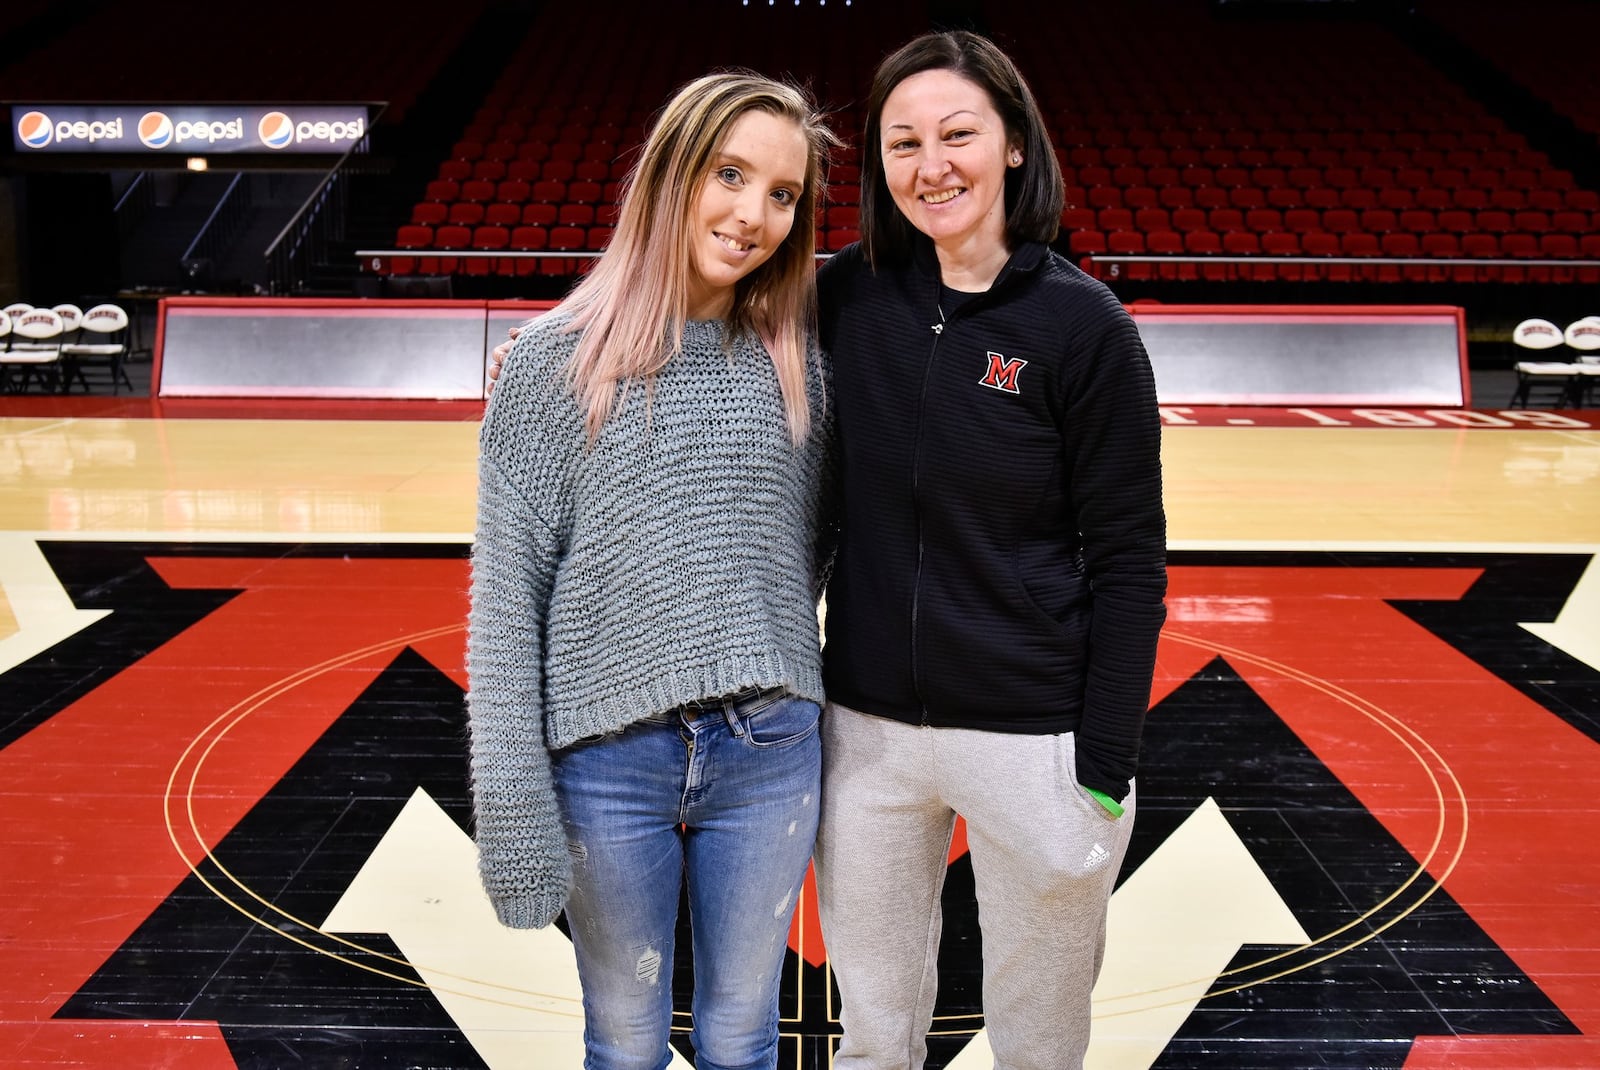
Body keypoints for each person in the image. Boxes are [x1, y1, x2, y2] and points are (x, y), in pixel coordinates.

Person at [811, 30, 1166, 1070]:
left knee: (1039, 1044)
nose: (932, 166)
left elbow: (1130, 557)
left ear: (1012, 143)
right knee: (872, 1037)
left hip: (1037, 742)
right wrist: (560, 341)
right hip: (867, 737)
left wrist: (1102, 763)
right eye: (903, 142)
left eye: (958, 133)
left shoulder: (1081, 324)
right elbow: (691, 305)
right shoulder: (847, 297)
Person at [467, 70, 836, 1070]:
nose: (751, 212)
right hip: (605, 761)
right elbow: (505, 617)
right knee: (624, 1044)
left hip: (769, 753)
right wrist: (512, 814)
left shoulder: (806, 363)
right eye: (729, 173)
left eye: (782, 193)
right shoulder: (550, 365)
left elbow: (830, 540)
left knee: (740, 1039)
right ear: (672, 172)